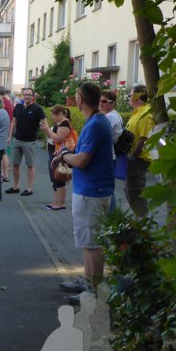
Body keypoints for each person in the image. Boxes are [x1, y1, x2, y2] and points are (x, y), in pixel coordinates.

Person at [51, 82, 114, 304]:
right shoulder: (95, 121)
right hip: (90, 189)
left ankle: (93, 290)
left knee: (93, 243)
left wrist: (63, 156)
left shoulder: (96, 124)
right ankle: (88, 281)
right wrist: (69, 153)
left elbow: (82, 160)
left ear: (80, 99)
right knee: (88, 241)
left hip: (92, 191)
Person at [6, 87, 46, 196]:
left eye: (29, 95)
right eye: (25, 95)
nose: (26, 96)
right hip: (17, 139)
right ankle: (16, 187)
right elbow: (14, 122)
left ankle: (29, 189)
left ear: (33, 97)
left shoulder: (38, 109)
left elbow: (44, 123)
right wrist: (10, 136)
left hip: (30, 141)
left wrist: (47, 134)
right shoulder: (18, 107)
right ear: (22, 96)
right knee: (15, 164)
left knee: (30, 165)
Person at [124, 84, 154, 216]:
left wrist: (133, 157)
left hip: (138, 159)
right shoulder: (137, 112)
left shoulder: (146, 114)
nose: (128, 97)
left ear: (137, 96)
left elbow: (144, 138)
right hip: (133, 158)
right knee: (130, 190)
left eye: (130, 95)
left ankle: (142, 219)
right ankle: (139, 218)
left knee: (136, 190)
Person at [40, 105, 73, 210]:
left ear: (60, 114)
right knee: (54, 178)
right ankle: (56, 201)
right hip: (54, 153)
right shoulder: (60, 123)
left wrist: (48, 130)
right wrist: (47, 131)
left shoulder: (65, 124)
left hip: (59, 154)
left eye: (53, 115)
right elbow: (53, 137)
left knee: (59, 178)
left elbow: (59, 139)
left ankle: (61, 203)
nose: (52, 117)